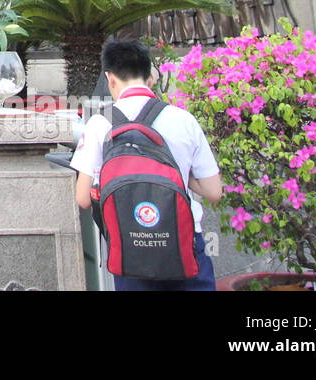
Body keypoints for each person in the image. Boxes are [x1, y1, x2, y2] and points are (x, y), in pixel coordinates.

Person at [70, 38, 223, 291]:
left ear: (110, 79)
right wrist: (181, 175)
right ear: (149, 77)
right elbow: (214, 192)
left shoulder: (99, 124)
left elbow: (84, 198)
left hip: (129, 244)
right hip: (184, 243)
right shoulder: (183, 119)